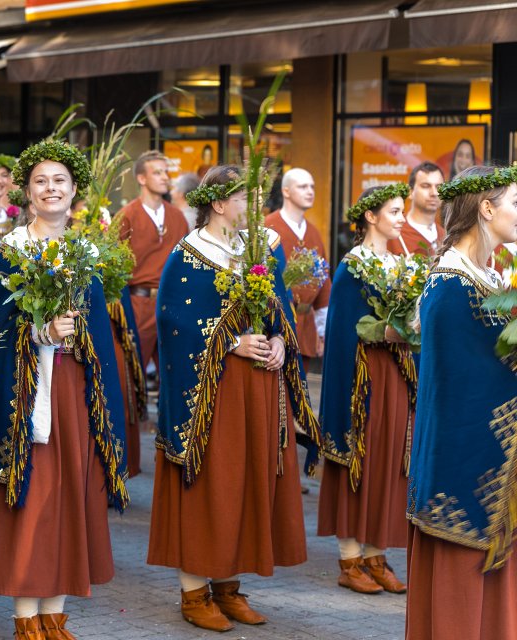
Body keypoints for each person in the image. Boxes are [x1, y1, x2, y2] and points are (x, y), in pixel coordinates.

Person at [148, 165, 320, 632]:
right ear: (220, 203)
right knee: (212, 483)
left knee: (246, 481)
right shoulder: (188, 254)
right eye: (248, 197)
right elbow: (173, 325)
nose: (257, 205)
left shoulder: (261, 249)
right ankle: (193, 592)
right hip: (213, 391)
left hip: (259, 386)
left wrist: (281, 341)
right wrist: (230, 343)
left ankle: (228, 587)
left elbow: (278, 306)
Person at [0, 140, 129, 640]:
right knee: (34, 496)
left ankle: (55, 614)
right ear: (27, 192)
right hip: (27, 393)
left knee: (70, 493)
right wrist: (39, 331)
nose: (51, 189)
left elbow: (99, 334)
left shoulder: (87, 253)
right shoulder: (11, 250)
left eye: (59, 180)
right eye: (41, 181)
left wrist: (75, 335)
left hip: (73, 388)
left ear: (74, 190)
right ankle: (25, 617)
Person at [405, 165, 517, 639]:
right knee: (461, 597)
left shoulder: (487, 278)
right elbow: (463, 386)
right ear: (487, 209)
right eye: (515, 201)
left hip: (488, 461)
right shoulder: (452, 286)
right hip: (467, 470)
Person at [318, 183, 418, 596]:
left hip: (393, 371)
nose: (401, 219)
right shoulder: (352, 266)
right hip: (362, 378)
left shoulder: (400, 263)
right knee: (360, 456)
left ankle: (377, 554)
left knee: (390, 457)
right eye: (394, 211)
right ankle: (350, 559)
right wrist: (387, 331)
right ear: (371, 217)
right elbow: (344, 331)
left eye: (402, 211)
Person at [117, 151, 189, 380]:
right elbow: (114, 269)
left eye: (166, 172)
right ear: (141, 179)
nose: (165, 177)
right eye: (157, 172)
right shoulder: (126, 216)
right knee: (132, 370)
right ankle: (135, 417)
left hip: (173, 302)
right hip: (139, 302)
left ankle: (171, 417)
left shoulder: (178, 216)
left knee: (177, 371)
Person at [264, 168, 330, 371]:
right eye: (302, 186)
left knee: (302, 397)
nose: (310, 191)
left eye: (312, 186)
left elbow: (324, 283)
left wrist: (322, 331)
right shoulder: (268, 227)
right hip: (274, 329)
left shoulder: (313, 232)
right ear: (286, 191)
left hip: (306, 328)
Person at [387, 162, 445, 257]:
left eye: (439, 187)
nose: (434, 193)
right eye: (426, 186)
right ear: (411, 192)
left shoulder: (445, 236)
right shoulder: (393, 233)